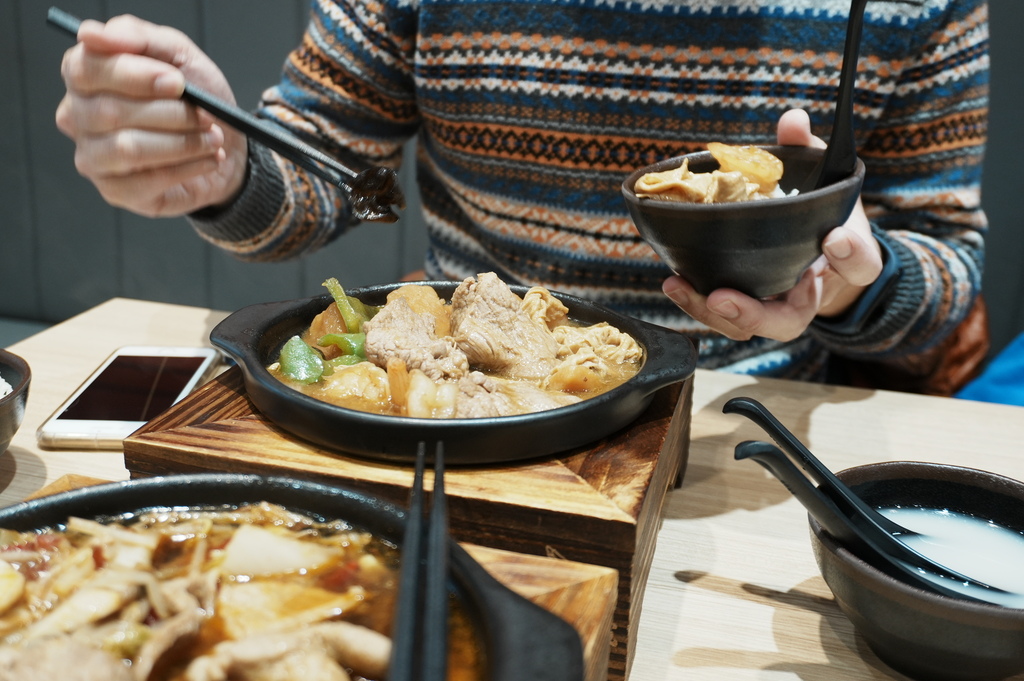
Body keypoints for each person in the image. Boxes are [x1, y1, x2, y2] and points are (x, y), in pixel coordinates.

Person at [54, 0, 990, 386]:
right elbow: (332, 178)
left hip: (754, 415)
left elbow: (946, 252)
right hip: (465, 396)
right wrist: (223, 169)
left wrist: (855, 282)